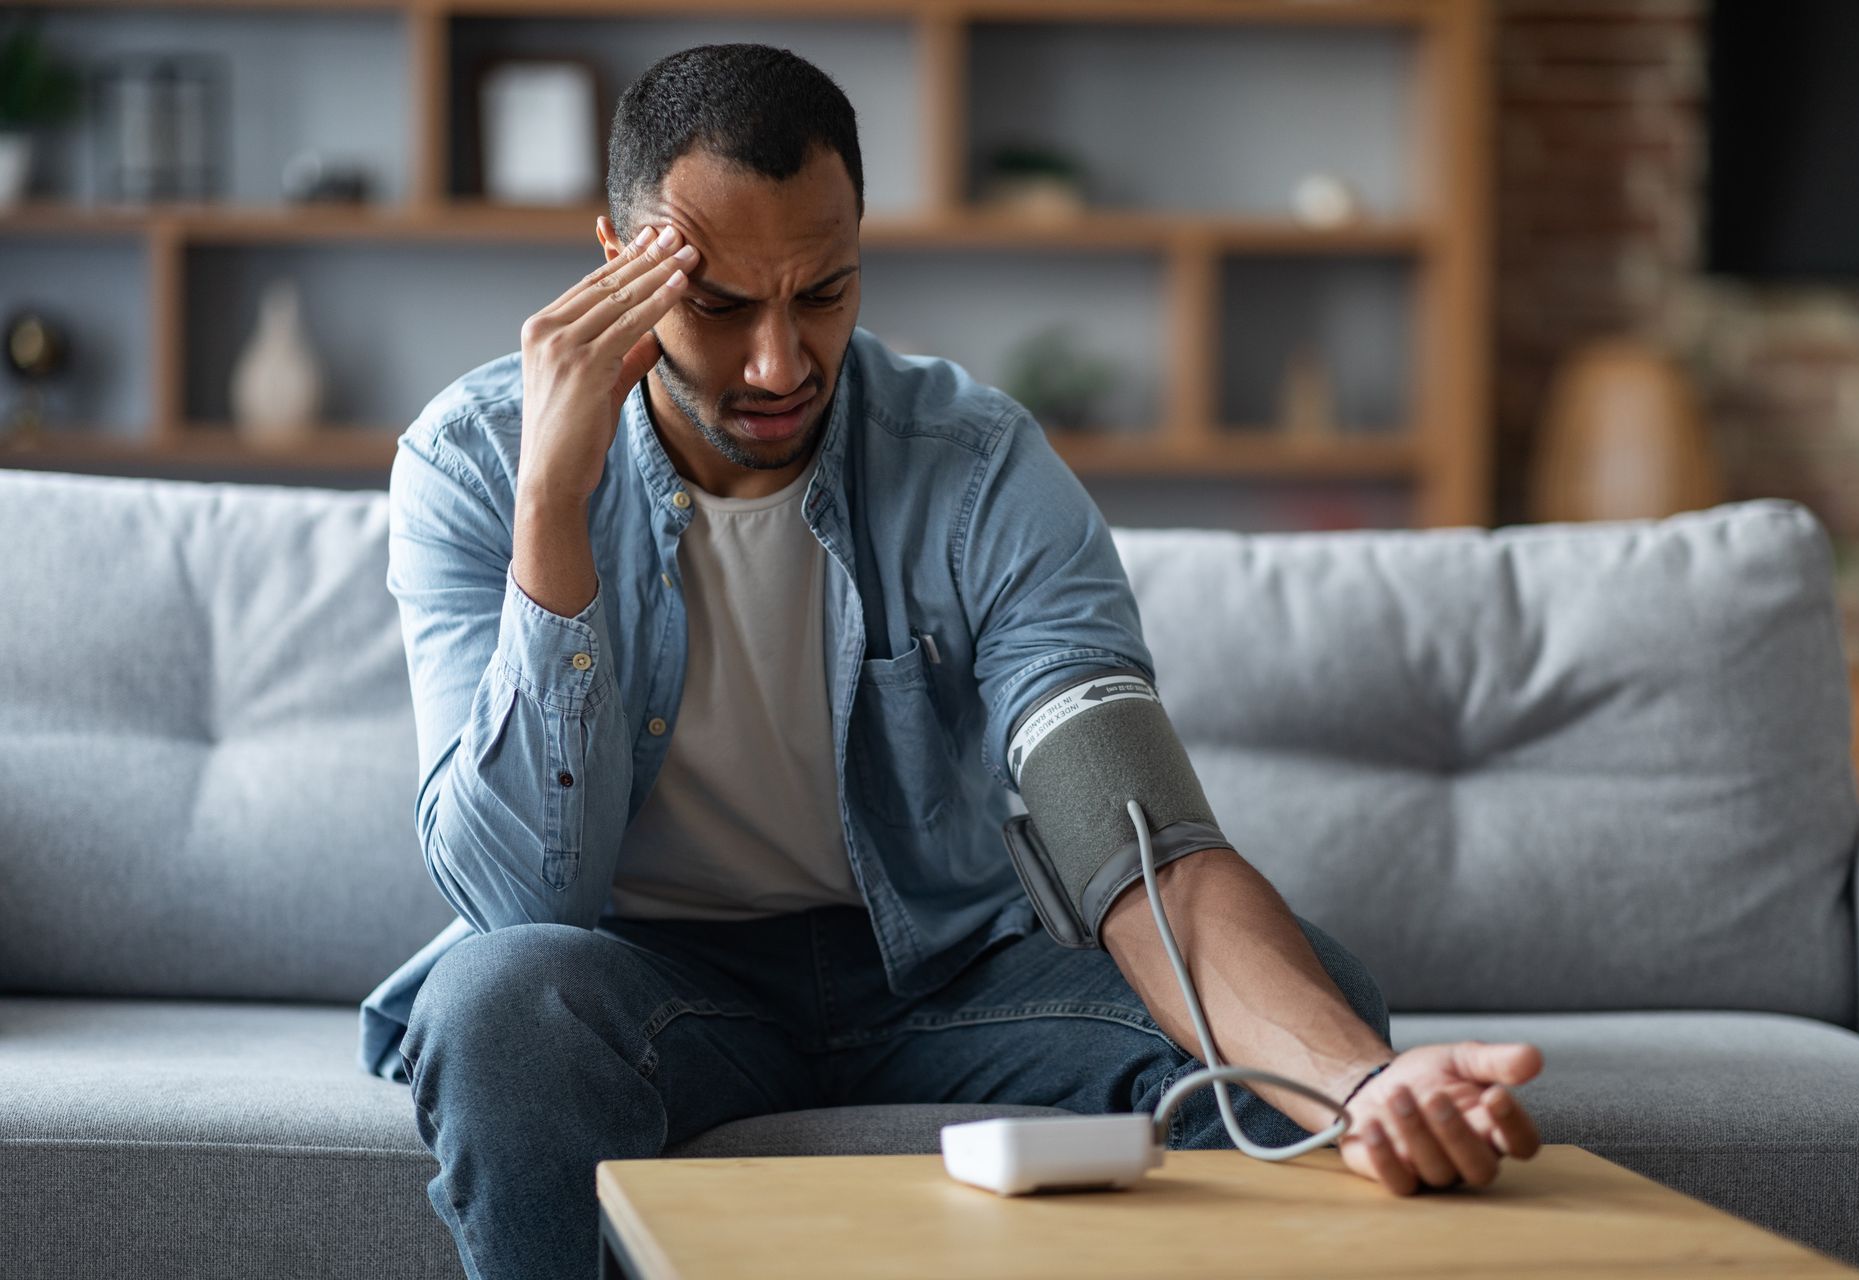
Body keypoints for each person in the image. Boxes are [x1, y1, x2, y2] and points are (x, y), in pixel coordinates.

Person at [362, 42, 1545, 1280]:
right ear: (618, 261)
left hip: (938, 975)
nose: (779, 365)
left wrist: (1362, 1081)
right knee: (497, 1009)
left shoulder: (977, 468)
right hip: (648, 979)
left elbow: (1134, 841)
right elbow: (518, 905)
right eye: (718, 304)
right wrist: (557, 505)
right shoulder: (479, 465)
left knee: (1305, 1021)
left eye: (823, 292)